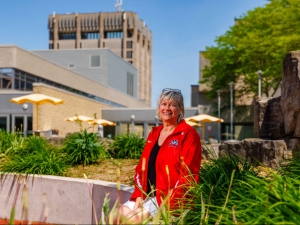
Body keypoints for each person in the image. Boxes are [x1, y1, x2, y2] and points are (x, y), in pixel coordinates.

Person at [111, 88, 202, 224]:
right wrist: (140, 194)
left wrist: (169, 202)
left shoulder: (188, 134)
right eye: (164, 104)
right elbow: (141, 167)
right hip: (146, 194)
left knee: (132, 219)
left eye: (172, 104)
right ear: (159, 107)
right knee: (116, 215)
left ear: (180, 109)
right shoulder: (154, 133)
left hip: (166, 198)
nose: (167, 108)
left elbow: (188, 175)